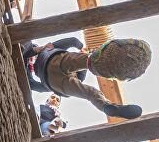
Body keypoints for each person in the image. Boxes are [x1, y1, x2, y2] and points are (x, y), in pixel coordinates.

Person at [20, 37, 151, 120]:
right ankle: (106, 106)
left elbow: (71, 41)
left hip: (52, 67)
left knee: (85, 67)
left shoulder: (44, 50)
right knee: (90, 92)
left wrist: (80, 47)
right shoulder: (42, 50)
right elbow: (72, 41)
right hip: (55, 80)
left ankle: (108, 106)